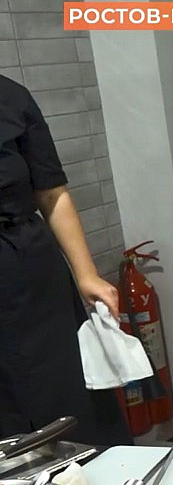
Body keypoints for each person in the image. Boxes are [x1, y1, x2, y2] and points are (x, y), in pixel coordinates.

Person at [1, 75, 132, 446]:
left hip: (30, 274)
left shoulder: (11, 97)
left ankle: (93, 474)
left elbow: (52, 194)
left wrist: (86, 274)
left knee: (64, 394)